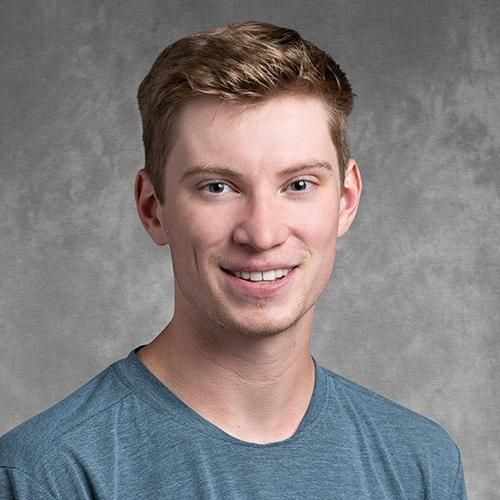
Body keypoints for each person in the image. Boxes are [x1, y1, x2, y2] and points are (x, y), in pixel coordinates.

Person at [0, 21, 466, 498]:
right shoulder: (49, 476)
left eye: (299, 185)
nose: (262, 234)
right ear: (153, 208)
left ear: (345, 200)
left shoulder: (421, 465)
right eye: (217, 187)